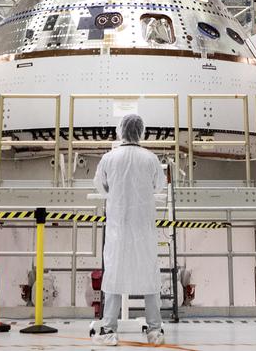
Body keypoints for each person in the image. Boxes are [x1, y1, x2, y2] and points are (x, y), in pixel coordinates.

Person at [93, 114, 167, 347]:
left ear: (121, 131)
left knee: (114, 275)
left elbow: (100, 186)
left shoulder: (109, 158)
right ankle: (155, 330)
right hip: (143, 227)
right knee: (149, 275)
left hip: (118, 227)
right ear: (141, 132)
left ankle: (108, 330)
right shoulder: (151, 159)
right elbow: (159, 186)